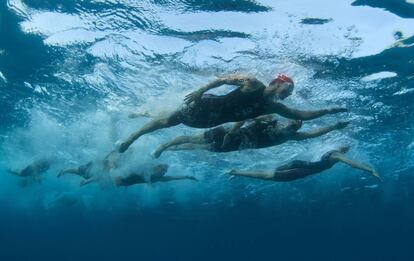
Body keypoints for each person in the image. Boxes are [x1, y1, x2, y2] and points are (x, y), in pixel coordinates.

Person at [116, 74, 347, 154]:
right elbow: (223, 79)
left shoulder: (274, 108)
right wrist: (200, 90)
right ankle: (131, 137)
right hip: (204, 106)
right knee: (167, 120)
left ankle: (143, 113)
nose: (288, 95)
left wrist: (330, 110)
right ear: (278, 82)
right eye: (288, 89)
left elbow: (303, 115)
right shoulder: (254, 84)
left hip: (209, 121)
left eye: (290, 93)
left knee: (169, 118)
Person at [153, 115, 350, 158]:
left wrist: (335, 126)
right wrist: (231, 132)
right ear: (287, 120)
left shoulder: (290, 137)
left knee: (201, 147)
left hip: (237, 145)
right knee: (194, 139)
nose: (293, 126)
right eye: (293, 122)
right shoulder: (270, 120)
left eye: (296, 126)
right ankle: (164, 145)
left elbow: (315, 133)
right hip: (229, 133)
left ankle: (172, 147)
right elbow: (247, 116)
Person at [228, 145, 381, 182]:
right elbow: (352, 163)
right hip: (301, 170)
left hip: (300, 164)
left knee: (270, 171)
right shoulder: (336, 154)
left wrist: (370, 168)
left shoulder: (330, 151)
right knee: (270, 176)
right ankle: (236, 171)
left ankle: (238, 171)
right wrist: (370, 171)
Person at [114, 164, 197, 187]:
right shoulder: (147, 169)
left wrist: (187, 177)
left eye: (165, 171)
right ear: (157, 168)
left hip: (125, 183)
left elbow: (173, 178)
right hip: (121, 178)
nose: (164, 173)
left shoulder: (158, 178)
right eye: (163, 170)